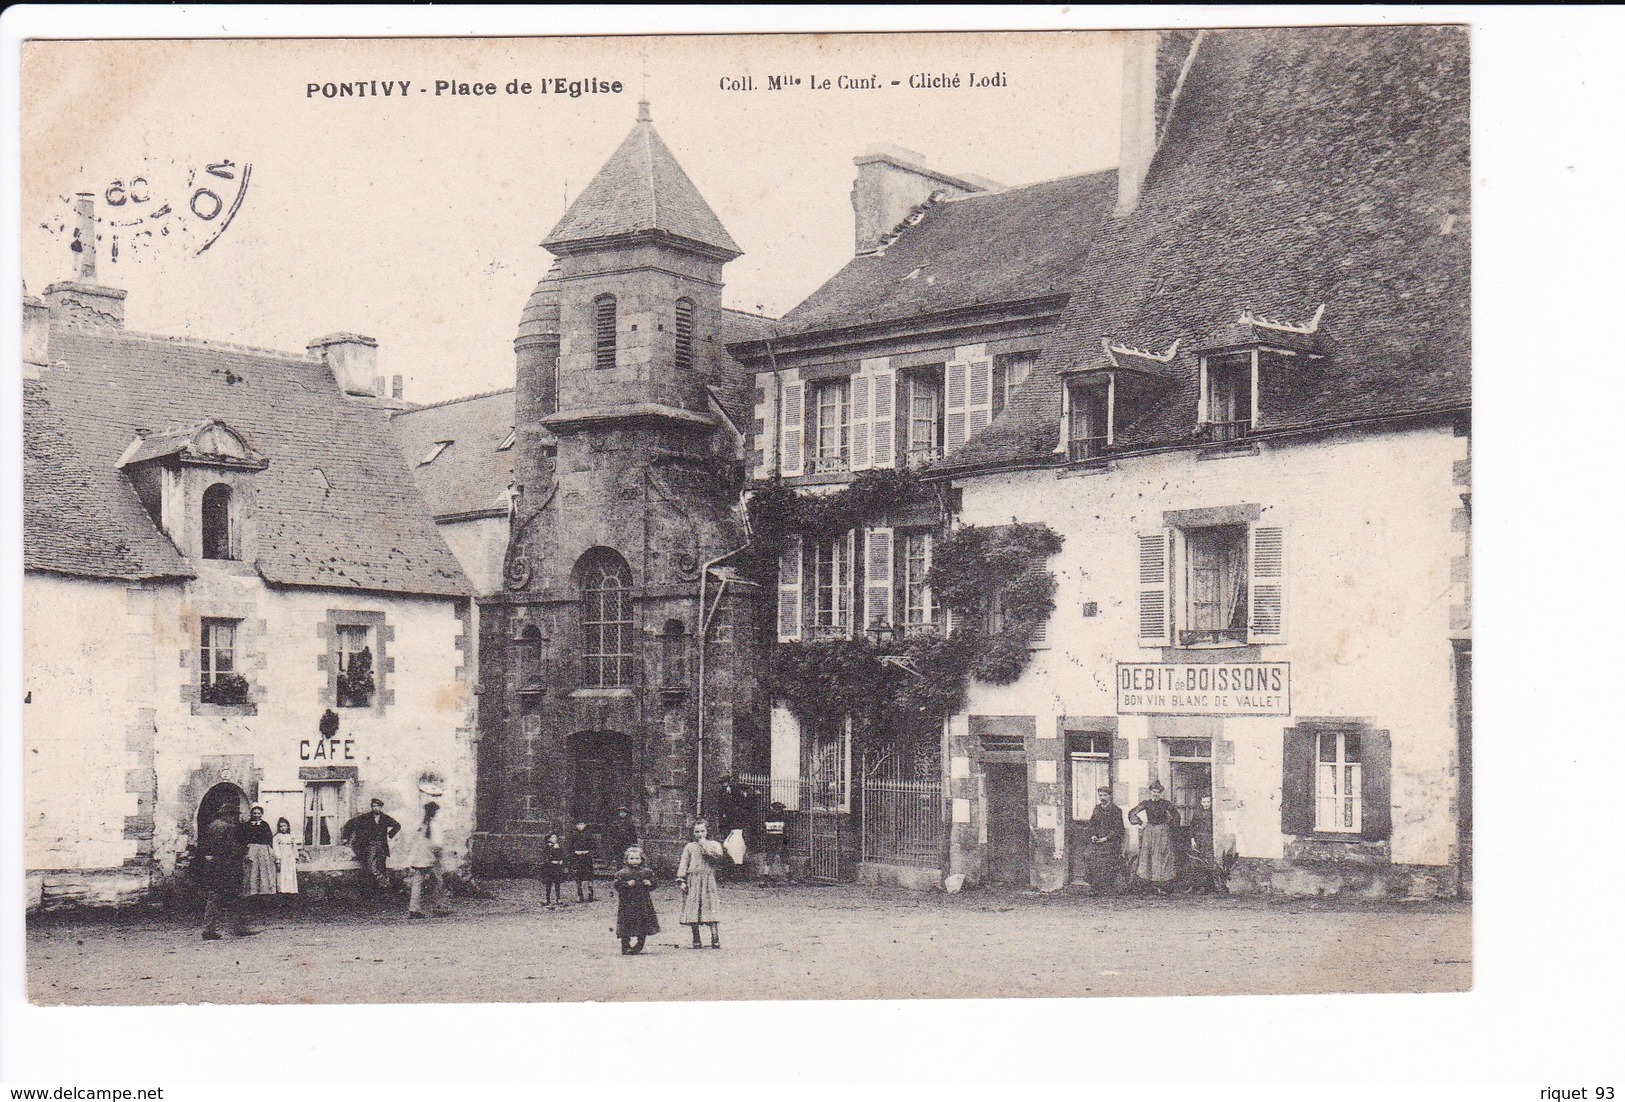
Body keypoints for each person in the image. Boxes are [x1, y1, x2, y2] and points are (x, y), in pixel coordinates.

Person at [197, 803, 253, 939]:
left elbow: (204, 846)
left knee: (214, 897)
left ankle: (209, 929)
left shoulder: (211, 826)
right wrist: (244, 850)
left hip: (213, 867)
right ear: (228, 815)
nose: (235, 818)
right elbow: (230, 848)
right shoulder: (228, 828)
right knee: (235, 896)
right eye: (234, 815)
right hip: (227, 867)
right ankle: (238, 928)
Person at [675, 818, 725, 949]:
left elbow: (717, 856)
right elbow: (684, 863)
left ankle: (715, 937)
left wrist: (704, 844)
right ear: (692, 833)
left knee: (710, 906)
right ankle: (696, 937)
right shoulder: (689, 847)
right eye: (697, 832)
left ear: (708, 831)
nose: (700, 834)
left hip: (708, 880)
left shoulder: (714, 844)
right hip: (693, 880)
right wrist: (682, 880)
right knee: (693, 907)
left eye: (703, 831)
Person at [1128, 780, 1180, 892]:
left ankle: (1162, 885)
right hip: (1149, 831)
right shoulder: (1146, 803)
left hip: (1163, 831)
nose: (1155, 794)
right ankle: (1148, 884)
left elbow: (1176, 816)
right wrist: (1140, 822)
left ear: (1161, 793)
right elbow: (1132, 813)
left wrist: (1169, 826)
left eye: (1158, 792)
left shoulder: (1166, 804)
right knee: (1148, 854)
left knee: (1163, 855)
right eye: (1153, 791)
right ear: (1150, 792)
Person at [339, 798, 402, 890]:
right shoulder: (365, 817)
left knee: (381, 866)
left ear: (381, 807)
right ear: (371, 807)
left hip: (382, 846)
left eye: (378, 806)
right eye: (373, 806)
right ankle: (385, 883)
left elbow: (397, 825)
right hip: (370, 846)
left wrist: (390, 834)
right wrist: (345, 837)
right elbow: (350, 823)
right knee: (371, 867)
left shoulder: (385, 818)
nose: (375, 808)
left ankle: (381, 890)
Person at [403, 801, 451, 918]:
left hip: (420, 858)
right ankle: (438, 907)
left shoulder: (422, 824)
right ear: (435, 812)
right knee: (439, 882)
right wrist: (438, 857)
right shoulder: (434, 825)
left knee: (417, 882)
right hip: (432, 857)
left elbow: (415, 842)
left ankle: (414, 909)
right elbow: (437, 844)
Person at [612, 846, 660, 955]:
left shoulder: (647, 872)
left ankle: (640, 944)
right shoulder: (622, 873)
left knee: (643, 922)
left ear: (642, 859)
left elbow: (654, 884)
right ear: (626, 860)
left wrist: (650, 883)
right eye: (631, 858)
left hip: (643, 902)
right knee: (626, 923)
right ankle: (625, 945)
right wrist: (626, 884)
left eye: (637, 858)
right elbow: (617, 885)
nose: (634, 861)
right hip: (627, 903)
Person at [1082, 786, 1127, 895]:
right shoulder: (1097, 809)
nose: (1102, 797)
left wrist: (1106, 838)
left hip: (1111, 841)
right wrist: (1093, 835)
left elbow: (1118, 829)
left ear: (1110, 796)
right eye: (1100, 795)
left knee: (1105, 858)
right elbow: (1092, 824)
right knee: (1089, 855)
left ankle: (1106, 887)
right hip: (1098, 840)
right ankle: (1094, 886)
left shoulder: (1116, 810)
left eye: (1104, 795)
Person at [239, 805, 279, 905]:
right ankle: (251, 894)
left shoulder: (264, 825)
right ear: (251, 813)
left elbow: (269, 838)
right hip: (251, 850)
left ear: (261, 814)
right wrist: (246, 849)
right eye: (254, 813)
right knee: (251, 871)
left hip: (263, 850)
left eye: (258, 813)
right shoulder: (247, 825)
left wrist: (269, 851)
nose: (256, 815)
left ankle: (263, 894)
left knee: (263, 870)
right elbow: (242, 838)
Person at [272, 817, 300, 902]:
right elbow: (276, 848)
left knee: (290, 875)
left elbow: (294, 847)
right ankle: (282, 896)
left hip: (290, 858)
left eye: (284, 826)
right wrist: (278, 860)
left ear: (288, 826)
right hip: (282, 858)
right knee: (282, 875)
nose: (283, 828)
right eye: (281, 826)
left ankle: (290, 895)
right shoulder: (277, 837)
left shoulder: (290, 836)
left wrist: (295, 857)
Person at [568, 821, 596, 903]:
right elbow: (570, 847)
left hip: (587, 858)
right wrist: (575, 852)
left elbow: (593, 846)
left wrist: (588, 852)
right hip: (577, 858)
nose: (580, 826)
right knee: (578, 876)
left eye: (582, 824)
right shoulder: (573, 835)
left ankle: (590, 894)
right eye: (578, 824)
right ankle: (580, 895)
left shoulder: (588, 835)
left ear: (585, 825)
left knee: (589, 876)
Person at [540, 832, 568, 906]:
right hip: (549, 868)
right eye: (552, 838)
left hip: (557, 867)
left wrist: (561, 860)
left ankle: (558, 898)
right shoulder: (547, 847)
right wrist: (552, 861)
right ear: (549, 839)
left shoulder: (558, 847)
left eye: (555, 838)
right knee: (548, 883)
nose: (554, 839)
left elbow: (561, 856)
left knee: (557, 883)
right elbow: (546, 857)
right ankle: (547, 899)